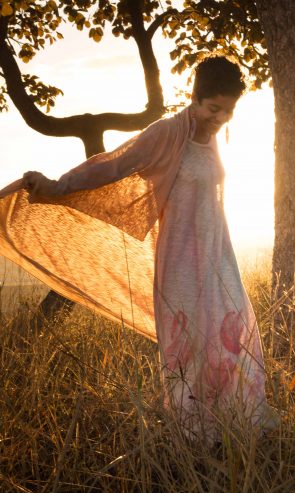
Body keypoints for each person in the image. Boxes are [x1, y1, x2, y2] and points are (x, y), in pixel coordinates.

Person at [0, 56, 279, 443]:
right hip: (180, 258)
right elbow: (114, 165)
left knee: (230, 331)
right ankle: (194, 434)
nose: (220, 117)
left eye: (229, 110)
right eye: (214, 108)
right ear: (194, 99)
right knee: (189, 342)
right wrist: (59, 185)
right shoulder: (166, 132)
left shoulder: (215, 138)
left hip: (218, 254)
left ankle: (237, 420)